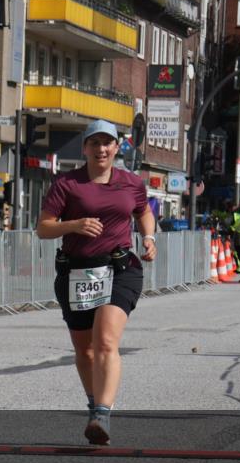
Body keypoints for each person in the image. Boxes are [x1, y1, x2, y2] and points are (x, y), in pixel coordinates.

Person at [36, 119, 156, 446]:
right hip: (76, 272)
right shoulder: (67, 184)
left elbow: (143, 211)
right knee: (85, 350)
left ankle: (103, 413)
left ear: (117, 148)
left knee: (105, 341)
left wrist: (149, 237)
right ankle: (93, 405)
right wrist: (73, 225)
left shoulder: (131, 183)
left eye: (108, 143)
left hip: (120, 269)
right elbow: (43, 228)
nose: (101, 149)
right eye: (95, 143)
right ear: (85, 148)